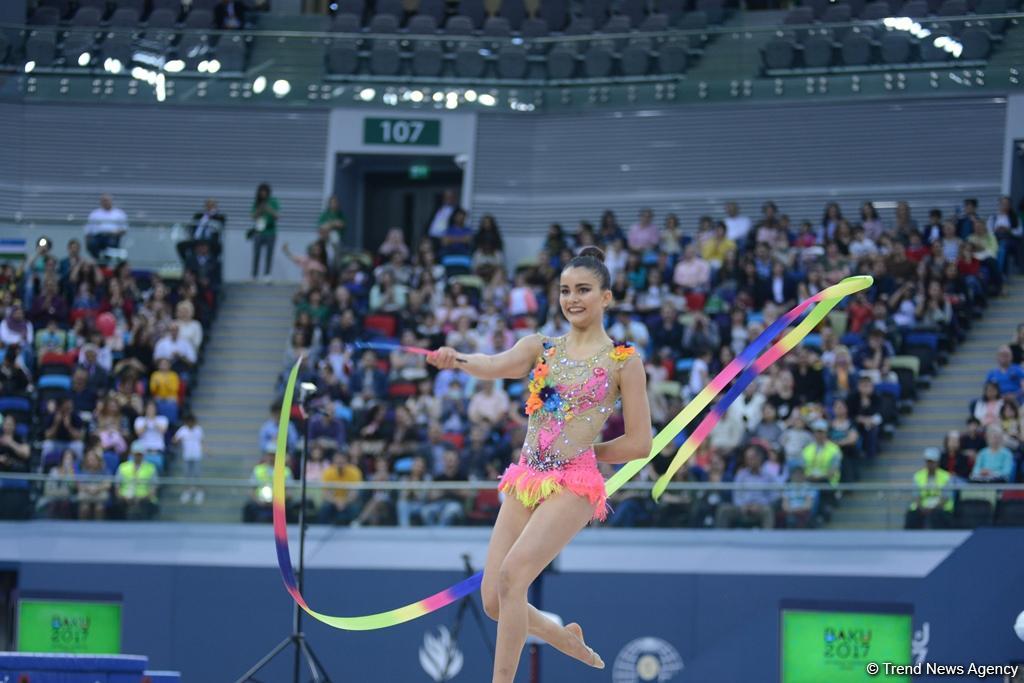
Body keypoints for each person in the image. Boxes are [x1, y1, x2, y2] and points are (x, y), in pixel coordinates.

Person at [428, 245, 652, 680]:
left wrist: (587, 451)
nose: (572, 299)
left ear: (606, 297)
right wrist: (455, 359)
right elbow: (492, 364)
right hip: (528, 477)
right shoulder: (541, 347)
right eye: (566, 290)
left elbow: (641, 443)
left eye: (584, 290)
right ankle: (560, 635)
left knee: (513, 577)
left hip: (575, 483)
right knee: (495, 601)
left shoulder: (623, 362)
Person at [905, 447, 953, 529]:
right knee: (912, 516)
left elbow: (946, 497)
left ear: (937, 462)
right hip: (921, 507)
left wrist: (933, 509)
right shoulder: (918, 476)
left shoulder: (946, 476)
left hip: (940, 508)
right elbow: (916, 496)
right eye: (928, 462)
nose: (930, 464)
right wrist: (922, 508)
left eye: (932, 462)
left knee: (937, 515)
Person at [116, 444, 159, 520]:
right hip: (125, 497)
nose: (138, 456)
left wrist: (144, 497)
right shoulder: (123, 467)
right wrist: (122, 497)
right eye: (136, 454)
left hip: (144, 498)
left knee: (144, 504)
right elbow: (117, 486)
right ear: (132, 454)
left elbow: (154, 487)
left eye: (140, 454)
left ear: (144, 455)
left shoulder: (151, 468)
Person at [84, 194, 128, 260]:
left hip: (112, 237)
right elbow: (88, 230)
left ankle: (105, 262)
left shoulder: (119, 213)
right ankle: (99, 261)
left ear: (111, 201)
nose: (106, 202)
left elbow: (124, 229)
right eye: (104, 200)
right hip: (98, 237)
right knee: (92, 244)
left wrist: (117, 232)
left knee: (111, 245)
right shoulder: (94, 213)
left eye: (107, 200)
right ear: (101, 202)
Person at [173, 413, 205, 504]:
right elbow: (174, 439)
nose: (191, 424)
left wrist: (207, 450)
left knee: (197, 474)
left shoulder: (199, 429)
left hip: (197, 456)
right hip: (187, 456)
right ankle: (187, 492)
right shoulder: (183, 430)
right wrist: (177, 440)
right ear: (186, 422)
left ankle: (199, 492)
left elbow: (202, 442)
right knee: (187, 474)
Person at [250, 183, 279, 281]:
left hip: (270, 231)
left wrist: (267, 208)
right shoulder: (257, 202)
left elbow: (277, 216)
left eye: (264, 192)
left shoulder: (273, 201)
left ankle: (267, 274)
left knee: (269, 254)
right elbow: (252, 216)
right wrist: (260, 209)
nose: (263, 194)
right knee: (256, 253)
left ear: (268, 192)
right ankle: (254, 275)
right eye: (261, 192)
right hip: (259, 231)